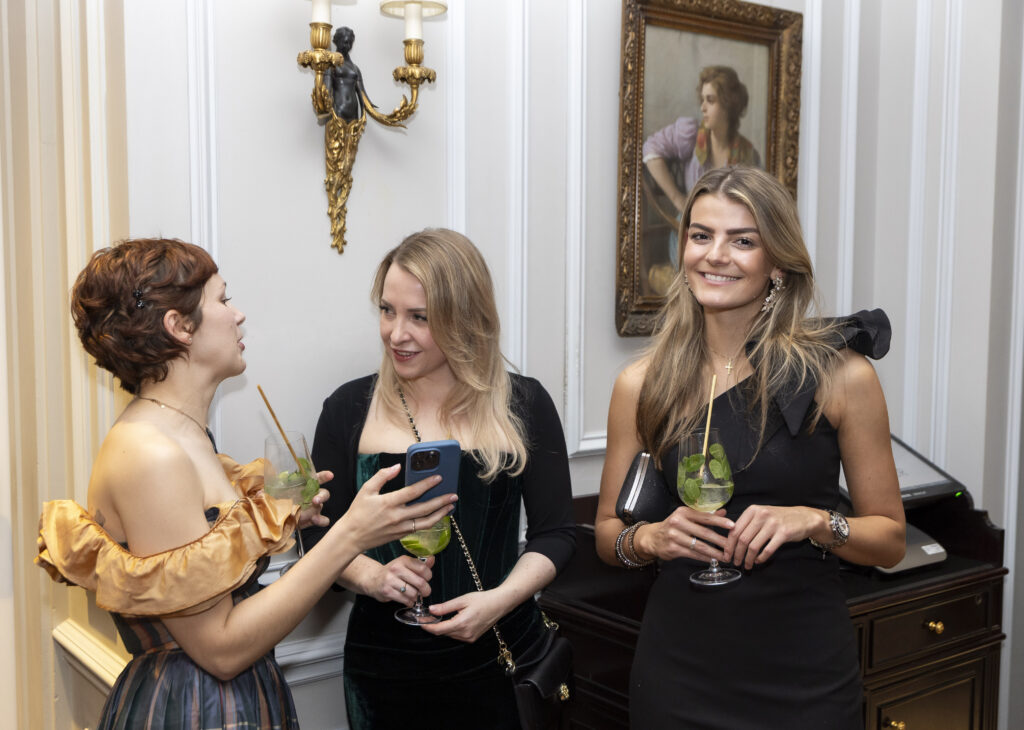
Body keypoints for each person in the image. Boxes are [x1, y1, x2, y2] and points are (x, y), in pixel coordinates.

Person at [36, 238, 457, 729]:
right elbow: (220, 650)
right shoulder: (150, 455)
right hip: (192, 709)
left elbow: (212, 570)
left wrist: (288, 517)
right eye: (223, 299)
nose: (238, 315)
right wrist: (349, 535)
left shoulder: (185, 435)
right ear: (179, 326)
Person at [594, 167, 906, 728]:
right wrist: (650, 539)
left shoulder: (841, 376)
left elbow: (890, 541)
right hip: (679, 674)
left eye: (742, 241)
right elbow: (606, 535)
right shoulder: (641, 384)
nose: (715, 255)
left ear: (777, 264)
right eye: (701, 235)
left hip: (804, 676)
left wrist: (815, 522)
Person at [303, 228, 576, 729]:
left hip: (503, 658)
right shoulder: (347, 409)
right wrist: (372, 577)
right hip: (385, 670)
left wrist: (497, 603)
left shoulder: (525, 403)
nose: (396, 334)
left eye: (419, 317)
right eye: (387, 311)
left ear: (465, 318)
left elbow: (556, 533)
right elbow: (318, 535)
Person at [643, 65, 762, 277]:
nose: (703, 107)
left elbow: (758, 207)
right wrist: (677, 198)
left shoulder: (747, 154)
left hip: (729, 239)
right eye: (703, 100)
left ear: (728, 104)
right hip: (690, 232)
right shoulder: (691, 135)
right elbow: (651, 150)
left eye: (711, 100)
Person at [328, 26, 365, 121]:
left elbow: (363, 96)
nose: (348, 46)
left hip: (354, 112)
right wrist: (329, 110)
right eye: (345, 42)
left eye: (350, 43)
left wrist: (364, 114)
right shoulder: (330, 64)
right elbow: (326, 92)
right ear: (337, 41)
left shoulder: (355, 68)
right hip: (338, 110)